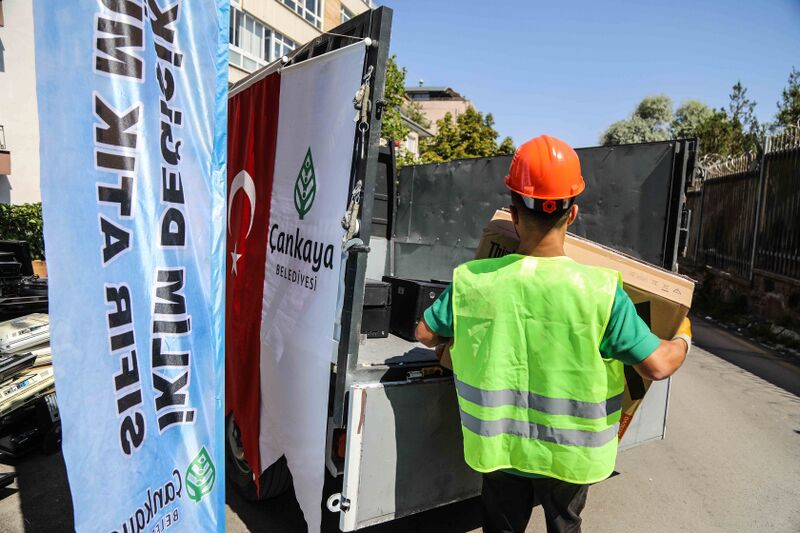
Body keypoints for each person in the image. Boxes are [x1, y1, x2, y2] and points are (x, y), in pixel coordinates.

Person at [415, 134, 692, 533]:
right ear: (572, 213)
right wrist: (683, 336)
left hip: (501, 449)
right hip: (571, 458)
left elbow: (425, 333)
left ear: (513, 213)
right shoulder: (601, 292)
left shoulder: (472, 281)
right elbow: (659, 365)